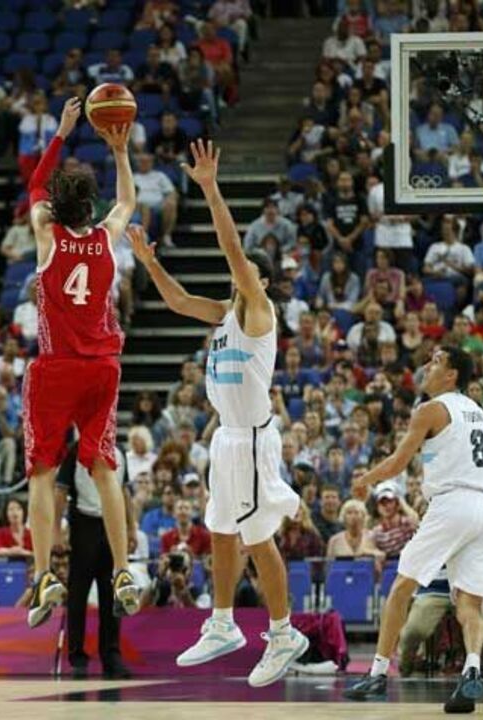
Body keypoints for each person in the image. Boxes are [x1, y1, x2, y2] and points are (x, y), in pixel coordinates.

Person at [130, 140, 308, 687]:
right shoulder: (224, 314)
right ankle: (224, 622)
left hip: (253, 439)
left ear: (258, 281)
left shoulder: (259, 310)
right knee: (221, 531)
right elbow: (180, 302)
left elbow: (233, 250)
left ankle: (283, 633)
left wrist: (210, 189)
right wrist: (151, 262)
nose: (239, 273)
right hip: (227, 441)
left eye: (248, 271)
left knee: (258, 539)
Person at [22, 98, 140, 628]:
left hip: (55, 369)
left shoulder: (47, 237)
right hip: (102, 369)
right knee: (104, 469)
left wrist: (62, 133)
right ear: (89, 208)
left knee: (44, 473)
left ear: (54, 211)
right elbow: (128, 203)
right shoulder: (105, 240)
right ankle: (122, 569)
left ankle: (45, 571)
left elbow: (34, 188)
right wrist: (120, 153)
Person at [344, 346, 483, 714]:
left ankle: (378, 674)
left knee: (402, 587)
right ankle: (472, 670)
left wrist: (365, 480)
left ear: (451, 376)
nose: (427, 367)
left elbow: (399, 462)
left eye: (436, 362)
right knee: (469, 604)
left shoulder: (432, 408)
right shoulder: (481, 414)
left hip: (454, 504)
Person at [56, 443, 135, 679]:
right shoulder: (75, 450)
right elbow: (60, 490)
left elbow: (124, 492)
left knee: (112, 592)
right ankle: (77, 656)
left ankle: (112, 655)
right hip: (83, 523)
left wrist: (131, 527)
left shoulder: (119, 450)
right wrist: (55, 531)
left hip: (112, 524)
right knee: (78, 594)